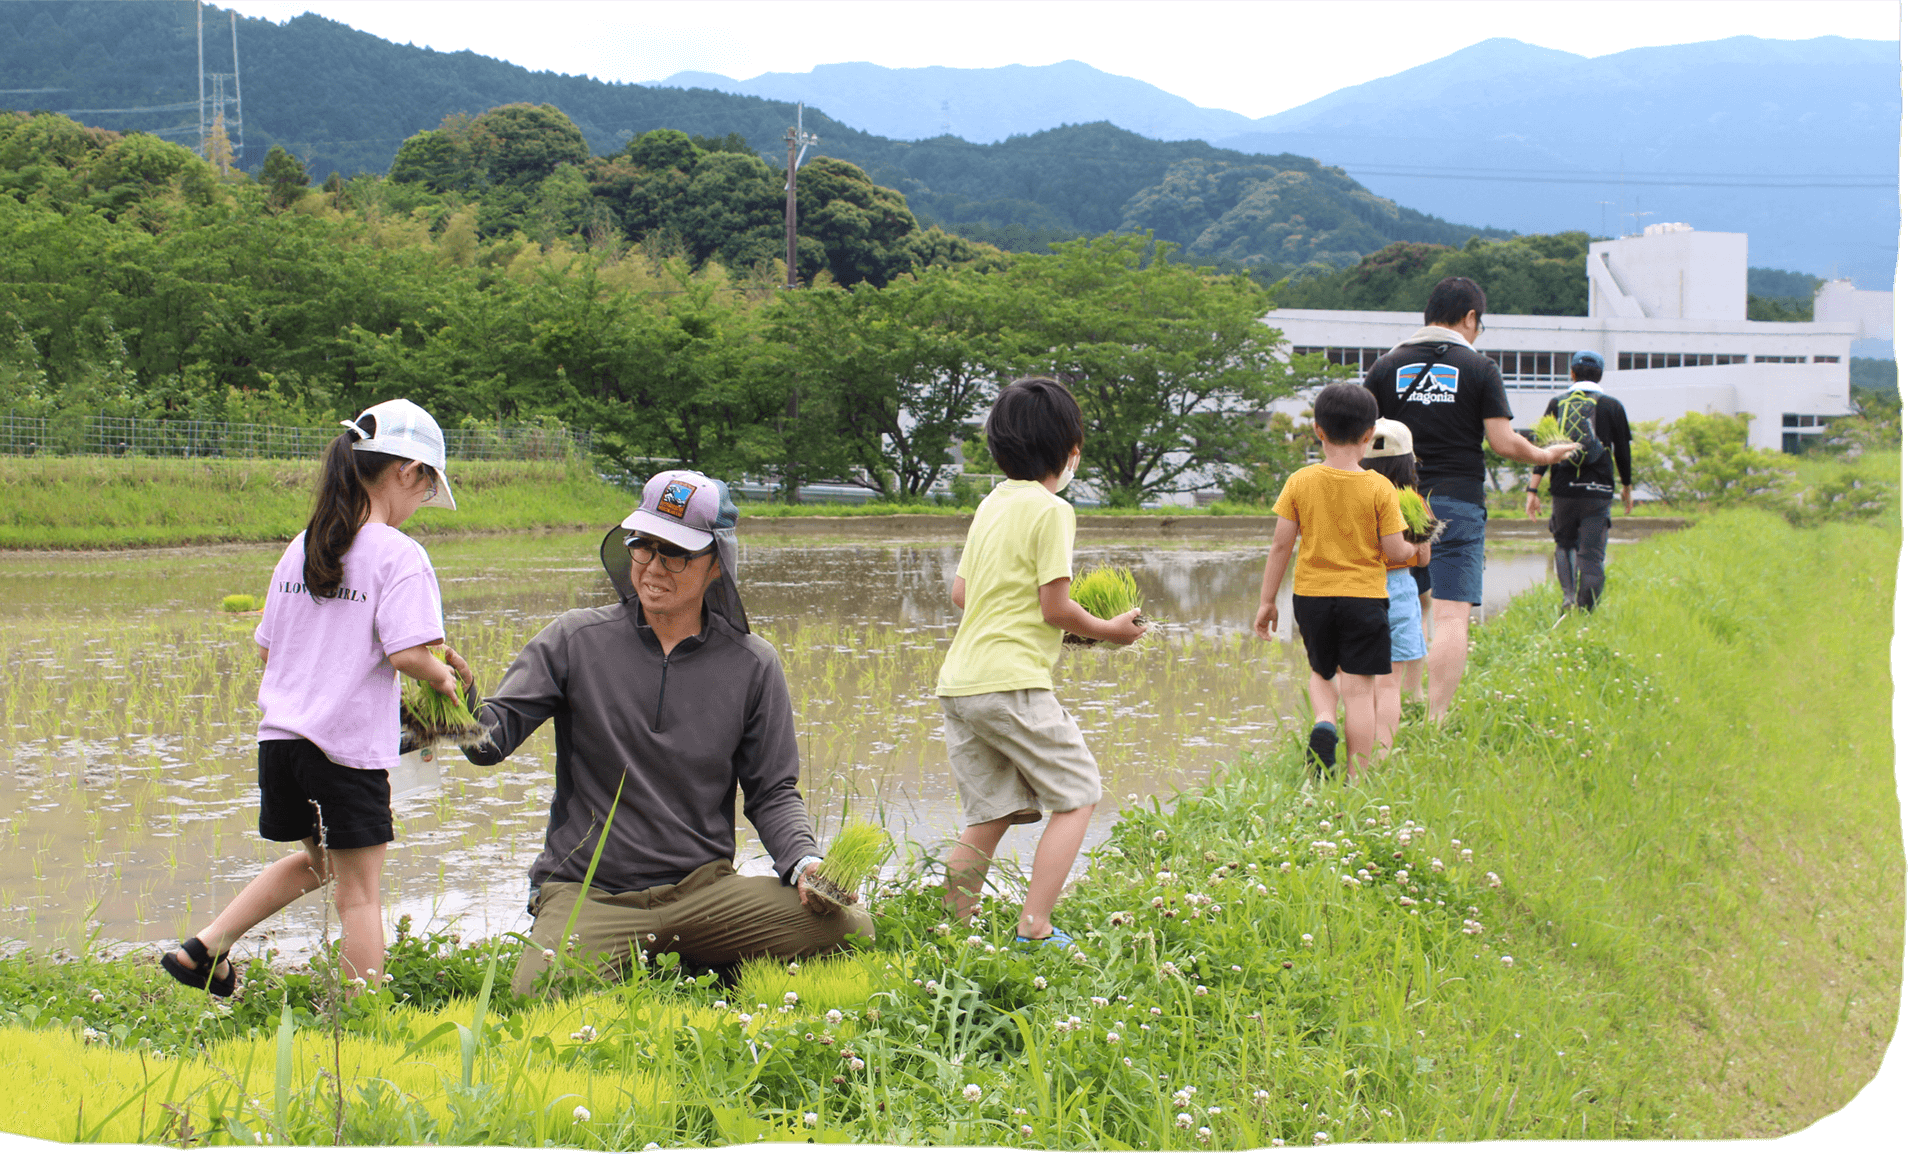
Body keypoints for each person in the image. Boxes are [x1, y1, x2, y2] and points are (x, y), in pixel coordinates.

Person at [462, 469, 872, 996]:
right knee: (537, 996)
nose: (654, 568)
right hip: (592, 893)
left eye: (675, 553)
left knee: (853, 929)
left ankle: (690, 955)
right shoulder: (573, 640)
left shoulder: (752, 664)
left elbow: (772, 792)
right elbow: (489, 742)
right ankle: (687, 963)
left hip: (703, 893)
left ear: (717, 564)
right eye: (644, 546)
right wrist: (458, 698)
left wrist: (804, 863)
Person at [162, 399, 463, 995]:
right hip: (342, 749)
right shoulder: (399, 553)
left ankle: (204, 949)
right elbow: (406, 653)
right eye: (426, 489)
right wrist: (442, 678)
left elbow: (269, 650)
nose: (421, 505)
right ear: (406, 471)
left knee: (325, 865)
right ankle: (361, 1018)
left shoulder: (304, 545)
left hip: (282, 744)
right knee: (360, 893)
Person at [936, 377, 1147, 950]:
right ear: (1071, 450)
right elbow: (1054, 606)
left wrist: (1043, 620)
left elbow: (962, 594)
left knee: (991, 812)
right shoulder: (1053, 511)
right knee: (1078, 793)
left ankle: (948, 932)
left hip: (959, 683)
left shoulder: (992, 502)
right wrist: (1107, 631)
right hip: (1011, 683)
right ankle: (1035, 926)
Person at [1363, 276, 1577, 721]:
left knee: (1405, 599)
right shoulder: (1480, 368)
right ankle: (1436, 720)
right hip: (1457, 498)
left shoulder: (1386, 366)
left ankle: (1403, 701)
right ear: (1470, 318)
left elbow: (1365, 438)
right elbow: (1503, 441)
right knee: (1450, 615)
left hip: (1395, 501)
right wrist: (1544, 454)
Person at [1253, 384, 1418, 782]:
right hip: (1364, 598)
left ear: (1317, 430)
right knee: (1360, 690)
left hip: (1312, 596)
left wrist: (1267, 602)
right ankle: (1356, 779)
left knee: (1321, 673)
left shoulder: (1300, 481)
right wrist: (1415, 546)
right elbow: (1396, 551)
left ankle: (1324, 720)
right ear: (1367, 437)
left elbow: (1280, 546)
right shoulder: (1379, 487)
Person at [1526, 351, 1634, 613]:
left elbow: (1544, 448)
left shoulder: (1557, 403)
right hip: (1598, 492)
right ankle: (1587, 613)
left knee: (1564, 544)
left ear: (1572, 374)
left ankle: (1568, 598)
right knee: (1592, 553)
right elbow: (1622, 451)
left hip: (1564, 489)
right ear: (1600, 375)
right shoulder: (1612, 406)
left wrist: (1533, 489)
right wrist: (1627, 488)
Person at [1359, 418, 1434, 757]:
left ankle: (1356, 753)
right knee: (1390, 683)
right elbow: (1423, 559)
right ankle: (1383, 754)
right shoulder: (1414, 502)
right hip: (1400, 591)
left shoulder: (1352, 495)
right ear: (1408, 460)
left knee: (1361, 682)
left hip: (1357, 588)